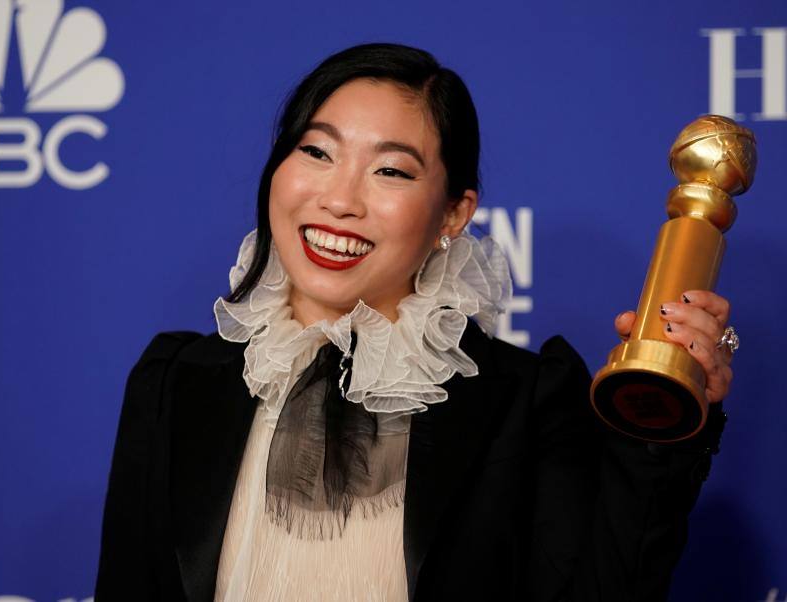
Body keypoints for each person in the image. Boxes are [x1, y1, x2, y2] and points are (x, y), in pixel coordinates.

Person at [94, 43, 735, 601]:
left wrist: (660, 428)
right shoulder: (173, 382)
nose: (339, 200)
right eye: (316, 152)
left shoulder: (526, 399)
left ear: (454, 214)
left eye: (390, 170)